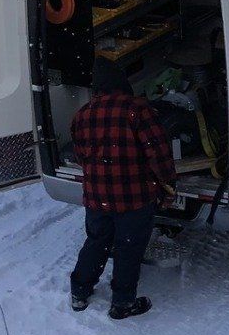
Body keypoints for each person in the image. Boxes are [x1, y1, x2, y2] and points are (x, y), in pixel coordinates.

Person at [69, 59, 175, 320]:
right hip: (133, 198)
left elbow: (81, 156)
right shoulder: (137, 110)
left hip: (96, 197)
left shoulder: (82, 114)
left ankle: (80, 292)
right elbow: (158, 153)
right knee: (128, 247)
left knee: (96, 241)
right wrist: (168, 183)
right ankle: (122, 303)